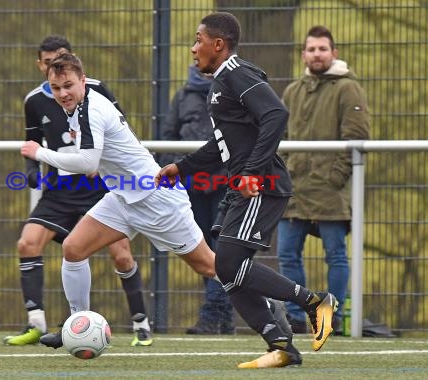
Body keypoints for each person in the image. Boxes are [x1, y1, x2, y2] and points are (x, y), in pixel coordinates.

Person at [21, 52, 294, 357]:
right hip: (124, 197)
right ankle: (76, 325)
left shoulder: (91, 109)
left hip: (156, 200)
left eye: (68, 85)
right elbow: (96, 160)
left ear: (83, 81)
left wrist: (38, 153)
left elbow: (87, 163)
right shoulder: (79, 106)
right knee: (72, 248)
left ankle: (270, 303)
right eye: (56, 88)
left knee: (209, 265)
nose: (62, 94)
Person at [156, 12, 339, 368]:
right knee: (226, 268)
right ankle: (282, 345)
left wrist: (253, 172)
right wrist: (183, 166)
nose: (194, 49)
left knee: (228, 263)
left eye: (198, 40)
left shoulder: (236, 74)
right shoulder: (220, 83)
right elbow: (221, 143)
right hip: (243, 187)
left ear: (218, 44)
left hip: (262, 186)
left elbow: (276, 114)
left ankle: (315, 303)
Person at [3, 36, 152, 347]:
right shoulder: (34, 101)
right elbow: (31, 143)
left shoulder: (94, 92)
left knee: (122, 254)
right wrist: (32, 173)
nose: (56, 73)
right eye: (48, 64)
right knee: (28, 243)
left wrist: (98, 160)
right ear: (41, 66)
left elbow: (120, 129)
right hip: (60, 190)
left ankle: (141, 323)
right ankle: (38, 323)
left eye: (61, 62)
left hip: (99, 186)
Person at [277, 25, 370, 335]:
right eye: (312, 49)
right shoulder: (292, 90)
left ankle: (333, 316)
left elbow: (357, 136)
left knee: (336, 255)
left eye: (322, 49)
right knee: (287, 253)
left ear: (334, 53)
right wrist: (287, 172)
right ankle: (297, 316)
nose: (317, 54)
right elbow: (284, 137)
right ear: (304, 53)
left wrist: (335, 177)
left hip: (330, 190)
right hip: (295, 188)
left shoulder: (348, 88)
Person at [159, 64, 234, 335]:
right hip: (191, 184)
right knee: (202, 249)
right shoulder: (183, 96)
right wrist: (170, 172)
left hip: (226, 182)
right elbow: (169, 135)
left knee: (223, 247)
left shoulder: (232, 90)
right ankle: (224, 318)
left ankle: (212, 315)